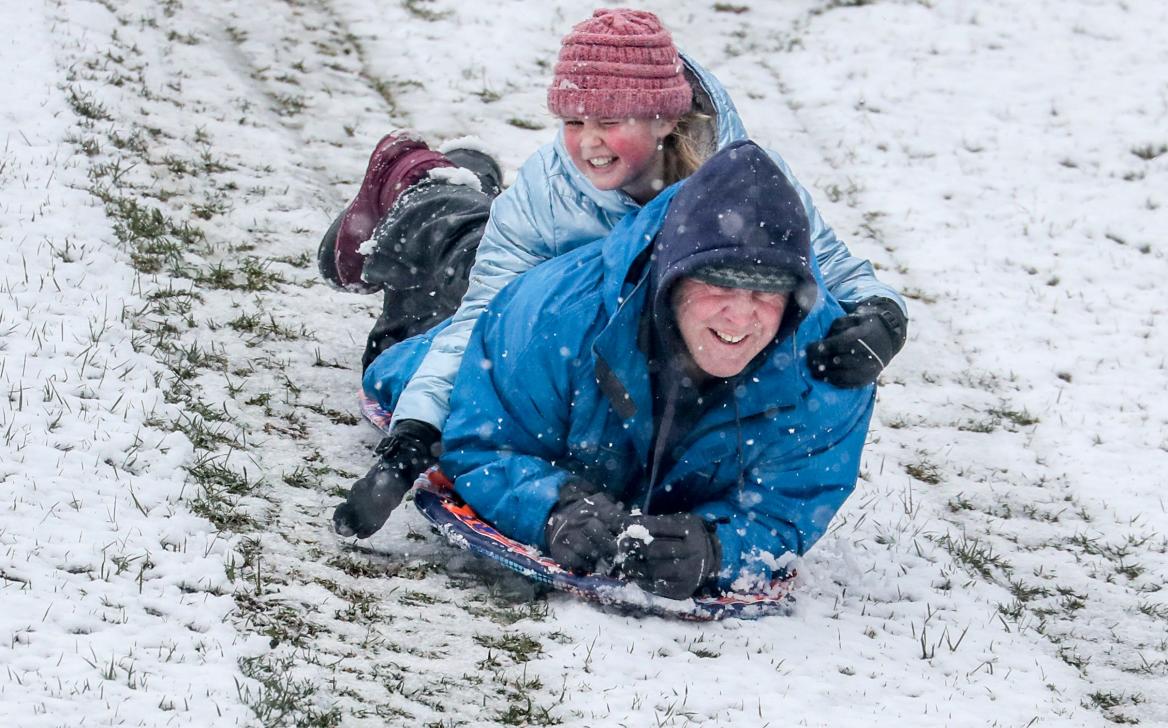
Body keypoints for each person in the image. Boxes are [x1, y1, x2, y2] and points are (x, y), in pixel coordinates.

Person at [329, 9, 906, 541]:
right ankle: (423, 187)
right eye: (573, 121)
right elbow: (481, 324)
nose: (588, 142)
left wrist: (880, 319)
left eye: (610, 121)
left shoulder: (741, 188)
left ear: (665, 119)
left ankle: (467, 180)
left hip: (618, 333)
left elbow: (828, 267)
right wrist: (416, 432)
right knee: (441, 298)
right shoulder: (549, 194)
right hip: (547, 314)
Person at [440, 141, 873, 598]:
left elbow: (790, 506)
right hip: (471, 317)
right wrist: (552, 508)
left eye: (767, 293)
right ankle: (434, 184)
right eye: (720, 284)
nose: (740, 317)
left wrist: (717, 548)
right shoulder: (551, 318)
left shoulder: (827, 374)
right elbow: (482, 441)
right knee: (430, 297)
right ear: (673, 277)